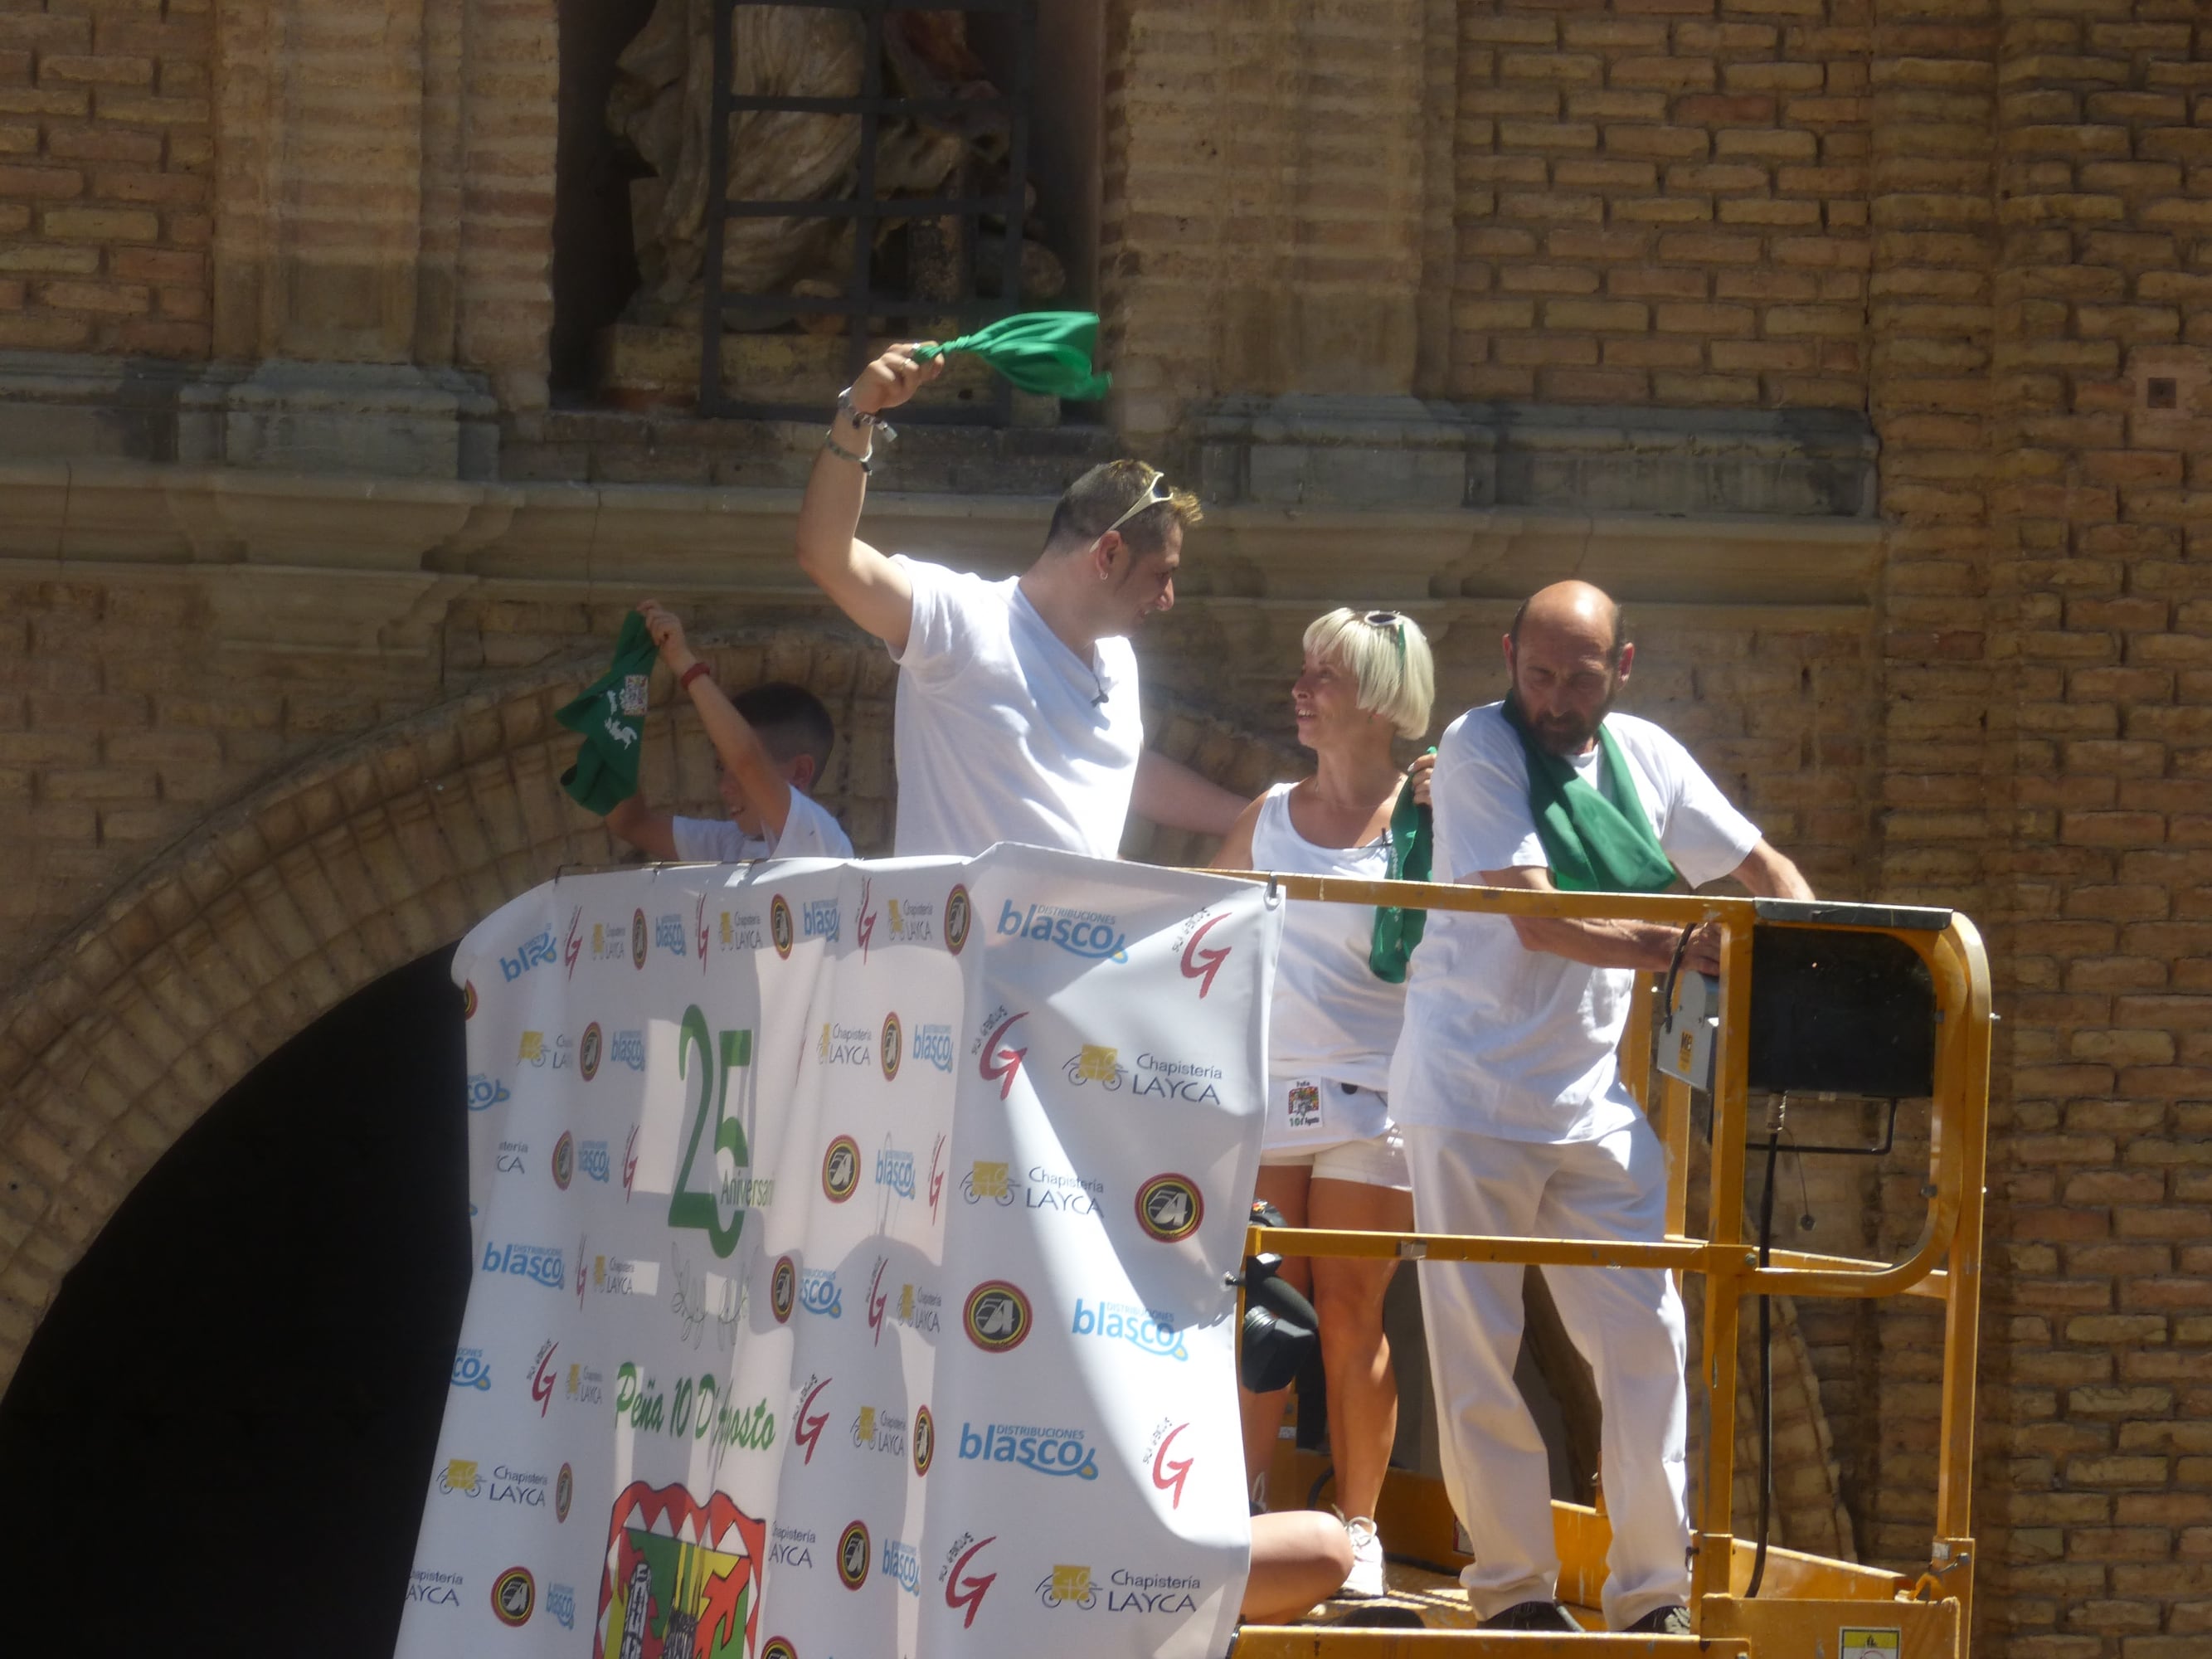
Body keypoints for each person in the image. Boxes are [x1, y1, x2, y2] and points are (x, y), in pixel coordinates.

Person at [1388, 580, 1813, 1635]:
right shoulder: (1479, 746)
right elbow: (1537, 919)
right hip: (1468, 1092)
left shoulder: (1649, 755)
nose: (1554, 698)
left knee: (1647, 1336)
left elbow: (1761, 866)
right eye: (1537, 673)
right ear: (1508, 656)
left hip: (1589, 1100)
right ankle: (1514, 1592)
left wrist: (1818, 948)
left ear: (1622, 668)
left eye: (1579, 679)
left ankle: (1653, 1593)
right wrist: (1683, 946)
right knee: (1478, 1349)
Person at [794, 344, 1245, 855]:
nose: (1168, 599)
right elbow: (827, 556)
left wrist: (1261, 819)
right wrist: (858, 412)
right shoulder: (962, 620)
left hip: (1084, 913)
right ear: (1108, 553)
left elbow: (1123, 775)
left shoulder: (1119, 658)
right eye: (1162, 574)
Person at [1214, 608, 1435, 1600]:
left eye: (1326, 676)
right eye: (1303, 670)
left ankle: (1360, 1529)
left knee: (1351, 1311)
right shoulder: (1267, 811)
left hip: (1377, 1094)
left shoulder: (1429, 816)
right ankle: (1235, 1507)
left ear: (1381, 698)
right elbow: (1192, 925)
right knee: (1265, 1309)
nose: (1301, 690)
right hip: (1267, 1092)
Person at [600, 600, 854, 863]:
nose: (724, 787)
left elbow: (747, 759)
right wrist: (623, 711)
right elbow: (631, 823)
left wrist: (682, 660)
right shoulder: (728, 843)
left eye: (737, 773)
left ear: (800, 772)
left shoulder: (820, 840)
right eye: (724, 769)